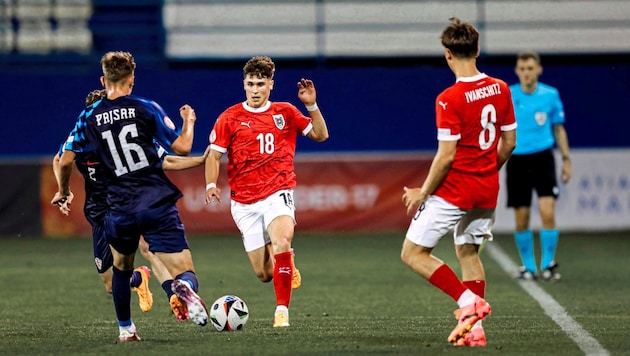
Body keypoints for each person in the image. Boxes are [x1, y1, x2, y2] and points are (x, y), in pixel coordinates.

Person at [52, 51, 209, 342]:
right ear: (132, 79)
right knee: (185, 270)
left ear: (103, 80)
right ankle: (183, 287)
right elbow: (182, 148)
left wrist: (63, 191)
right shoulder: (145, 107)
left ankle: (126, 330)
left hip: (117, 207)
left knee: (121, 270)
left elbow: (62, 160)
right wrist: (189, 120)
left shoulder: (89, 117)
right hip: (155, 201)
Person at [400, 17, 517, 347]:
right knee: (468, 253)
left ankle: (468, 304)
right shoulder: (502, 88)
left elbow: (447, 155)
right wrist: (486, 170)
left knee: (413, 253)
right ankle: (475, 331)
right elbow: (509, 143)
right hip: (488, 189)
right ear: (477, 50)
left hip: (455, 192)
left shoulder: (449, 98)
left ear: (447, 54)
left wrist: (424, 191)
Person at [204, 55, 329, 328]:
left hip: (278, 191)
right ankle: (286, 262)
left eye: (261, 84)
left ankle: (281, 311)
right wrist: (211, 184)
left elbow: (321, 135)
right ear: (244, 84)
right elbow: (213, 156)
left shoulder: (285, 112)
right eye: (251, 84)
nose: (256, 89)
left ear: (271, 84)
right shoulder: (230, 117)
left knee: (282, 241)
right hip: (244, 202)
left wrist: (311, 105)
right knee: (263, 273)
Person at [507, 51, 571, 281]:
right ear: (517, 71)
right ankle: (528, 267)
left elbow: (559, 129)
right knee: (521, 217)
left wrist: (566, 160)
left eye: (530, 68)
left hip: (543, 158)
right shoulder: (509, 95)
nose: (527, 73)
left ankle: (547, 264)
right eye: (522, 69)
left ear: (538, 69)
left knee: (547, 211)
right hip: (517, 160)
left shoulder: (550, 95)